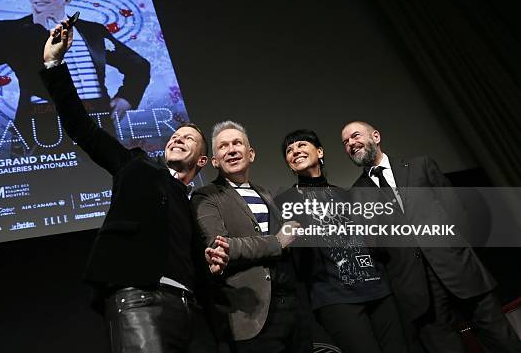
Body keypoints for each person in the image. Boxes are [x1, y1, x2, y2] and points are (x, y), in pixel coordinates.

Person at [40, 21, 228, 353]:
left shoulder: (196, 203)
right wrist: (55, 65)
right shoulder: (134, 165)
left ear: (202, 161)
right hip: (138, 300)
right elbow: (80, 126)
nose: (176, 139)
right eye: (175, 136)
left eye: (188, 139)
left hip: (192, 313)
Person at [341, 120, 521, 352]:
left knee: (503, 341)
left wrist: (453, 248)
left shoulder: (420, 165)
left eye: (355, 136)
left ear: (375, 136)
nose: (351, 144)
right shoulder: (356, 195)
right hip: (415, 289)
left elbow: (457, 213)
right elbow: (374, 246)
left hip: (459, 269)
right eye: (345, 143)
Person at [0, 0, 149, 154]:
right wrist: (35, 27)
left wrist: (127, 97)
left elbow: (138, 65)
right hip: (40, 121)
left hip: (96, 118)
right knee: (39, 180)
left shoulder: (92, 30)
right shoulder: (10, 29)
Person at [275, 129, 408, 353]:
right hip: (335, 298)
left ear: (319, 152)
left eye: (301, 145)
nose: (295, 151)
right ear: (289, 164)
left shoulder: (347, 195)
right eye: (289, 150)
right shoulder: (284, 201)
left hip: (378, 289)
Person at [191, 120, 312, 353]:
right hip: (251, 314)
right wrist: (276, 241)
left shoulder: (264, 192)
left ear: (251, 153)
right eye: (223, 146)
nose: (232, 149)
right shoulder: (205, 196)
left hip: (294, 307)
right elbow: (221, 246)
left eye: (237, 143)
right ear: (215, 160)